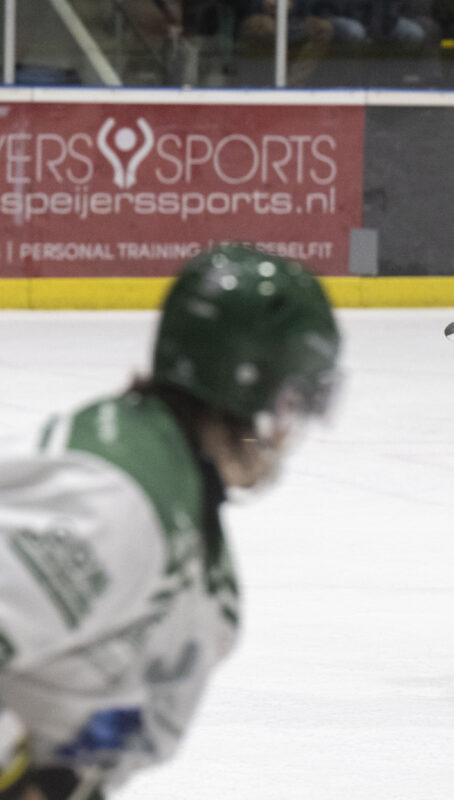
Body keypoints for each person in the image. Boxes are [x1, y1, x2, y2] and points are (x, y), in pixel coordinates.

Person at [0, 244, 341, 797]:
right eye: (293, 400)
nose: (289, 429)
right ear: (249, 388)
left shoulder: (186, 529)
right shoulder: (114, 503)